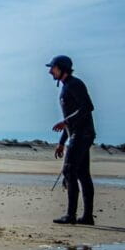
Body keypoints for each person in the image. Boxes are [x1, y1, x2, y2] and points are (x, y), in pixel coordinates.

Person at [47, 55, 96, 225]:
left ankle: (71, 215)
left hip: (82, 134)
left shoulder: (75, 84)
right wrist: (62, 142)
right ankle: (87, 217)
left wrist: (66, 122)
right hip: (77, 134)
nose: (50, 71)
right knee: (82, 174)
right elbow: (71, 118)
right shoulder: (66, 87)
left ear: (61, 68)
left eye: (52, 68)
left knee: (69, 171)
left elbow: (87, 107)